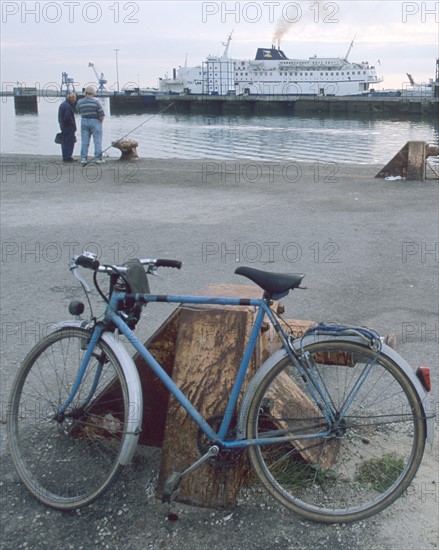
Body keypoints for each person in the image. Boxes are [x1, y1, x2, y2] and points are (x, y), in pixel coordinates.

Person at [76, 86, 105, 163]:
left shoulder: (80, 102)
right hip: (95, 121)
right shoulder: (96, 102)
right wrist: (100, 122)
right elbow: (101, 115)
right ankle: (98, 158)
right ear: (93, 93)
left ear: (85, 93)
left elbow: (78, 110)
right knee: (97, 141)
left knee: (84, 141)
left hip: (84, 121)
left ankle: (83, 158)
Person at [58, 92, 77, 162]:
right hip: (68, 127)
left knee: (65, 142)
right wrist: (73, 125)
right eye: (74, 98)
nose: (75, 100)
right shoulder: (67, 106)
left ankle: (65, 156)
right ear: (69, 98)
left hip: (63, 126)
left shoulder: (63, 105)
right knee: (69, 142)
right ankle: (68, 157)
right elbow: (67, 118)